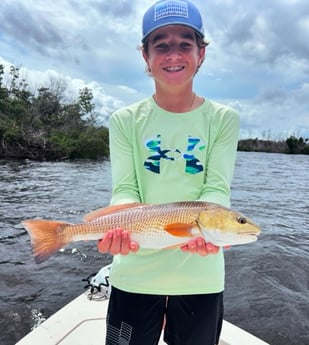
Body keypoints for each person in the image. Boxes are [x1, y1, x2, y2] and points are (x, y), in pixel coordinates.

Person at [98, 0, 240, 344]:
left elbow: (216, 190)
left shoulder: (224, 119)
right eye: (161, 45)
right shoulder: (124, 120)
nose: (173, 54)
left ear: (201, 54)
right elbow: (126, 188)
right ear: (145, 56)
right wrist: (118, 226)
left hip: (200, 272)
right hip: (133, 270)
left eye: (185, 44)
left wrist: (210, 232)